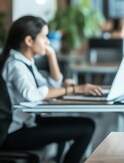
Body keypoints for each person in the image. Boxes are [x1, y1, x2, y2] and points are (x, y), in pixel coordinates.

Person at [0, 15, 103, 162]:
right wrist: (74, 89)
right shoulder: (15, 65)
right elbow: (32, 94)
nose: (48, 42)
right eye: (44, 37)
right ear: (29, 41)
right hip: (14, 132)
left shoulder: (25, 61)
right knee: (86, 128)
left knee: (87, 124)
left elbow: (53, 86)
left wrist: (52, 55)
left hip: (29, 123)